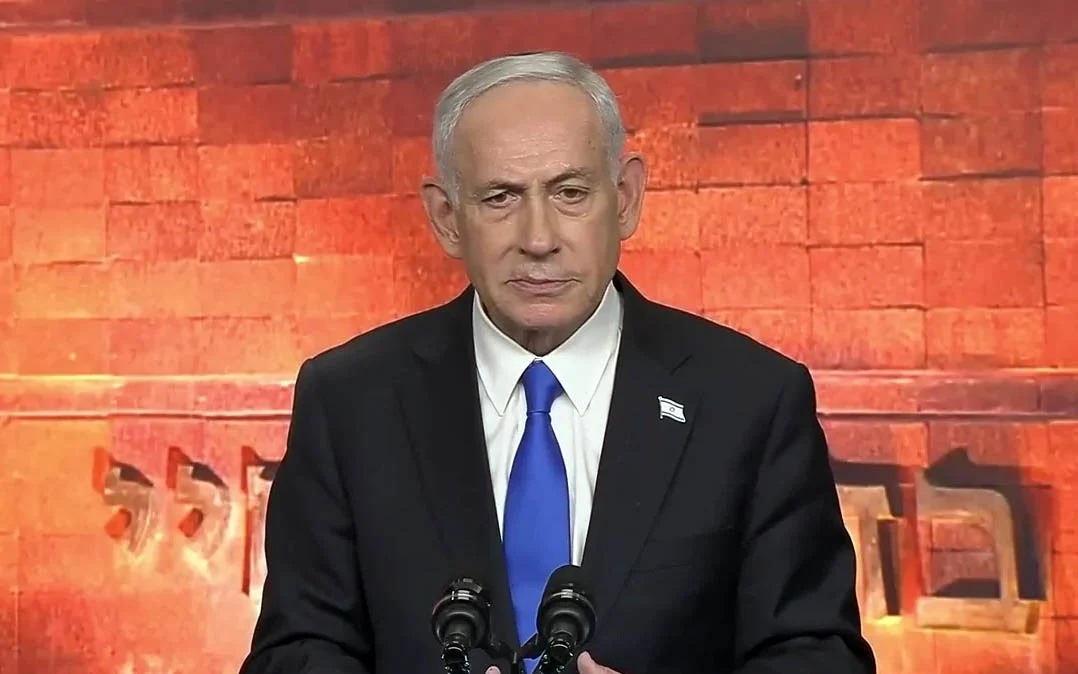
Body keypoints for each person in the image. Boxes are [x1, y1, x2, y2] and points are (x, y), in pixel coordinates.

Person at [239, 51, 875, 674]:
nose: (539, 239)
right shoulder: (350, 402)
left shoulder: (751, 401)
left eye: (570, 193)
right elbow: (296, 651)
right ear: (446, 218)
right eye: (500, 198)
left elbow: (818, 654)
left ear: (625, 199)